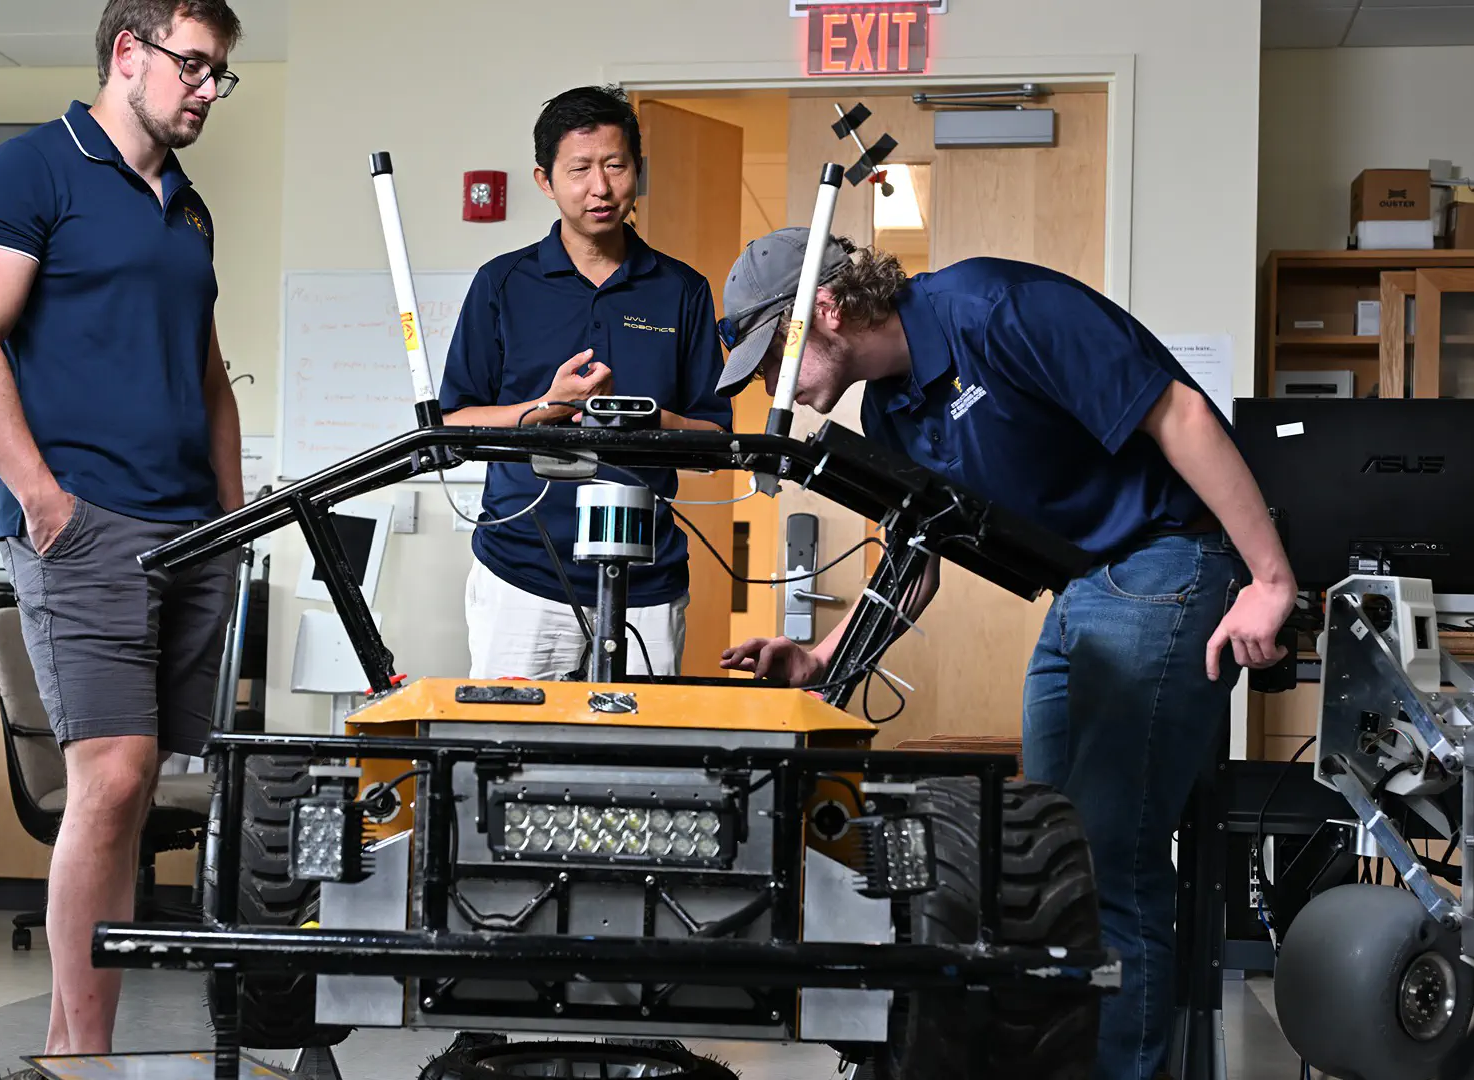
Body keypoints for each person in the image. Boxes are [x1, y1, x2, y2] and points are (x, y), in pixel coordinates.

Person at [715, 230, 1296, 1080]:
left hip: (1170, 557)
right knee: (1052, 861)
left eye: (772, 361)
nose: (772, 388)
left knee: (1109, 862)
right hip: (1085, 587)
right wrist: (819, 656)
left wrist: (1270, 578)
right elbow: (916, 566)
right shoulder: (890, 409)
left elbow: (1181, 414)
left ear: (827, 311)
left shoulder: (999, 309)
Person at [0, 0, 244, 1056]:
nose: (208, 89)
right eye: (194, 66)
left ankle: (75, 1051)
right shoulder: (31, 172)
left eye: (219, 75)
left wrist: (233, 516)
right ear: (128, 53)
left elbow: (209, 377)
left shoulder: (188, 207)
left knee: (139, 780)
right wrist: (43, 500)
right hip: (86, 524)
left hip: (188, 529)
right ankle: (81, 1056)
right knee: (109, 775)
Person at [439, 86, 734, 681]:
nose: (600, 187)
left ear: (637, 172)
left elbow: (715, 442)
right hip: (522, 571)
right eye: (579, 169)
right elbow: (450, 427)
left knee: (642, 761)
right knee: (510, 755)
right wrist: (552, 405)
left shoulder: (682, 290)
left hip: (646, 576)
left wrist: (652, 420)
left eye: (615, 166)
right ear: (545, 180)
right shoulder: (502, 283)